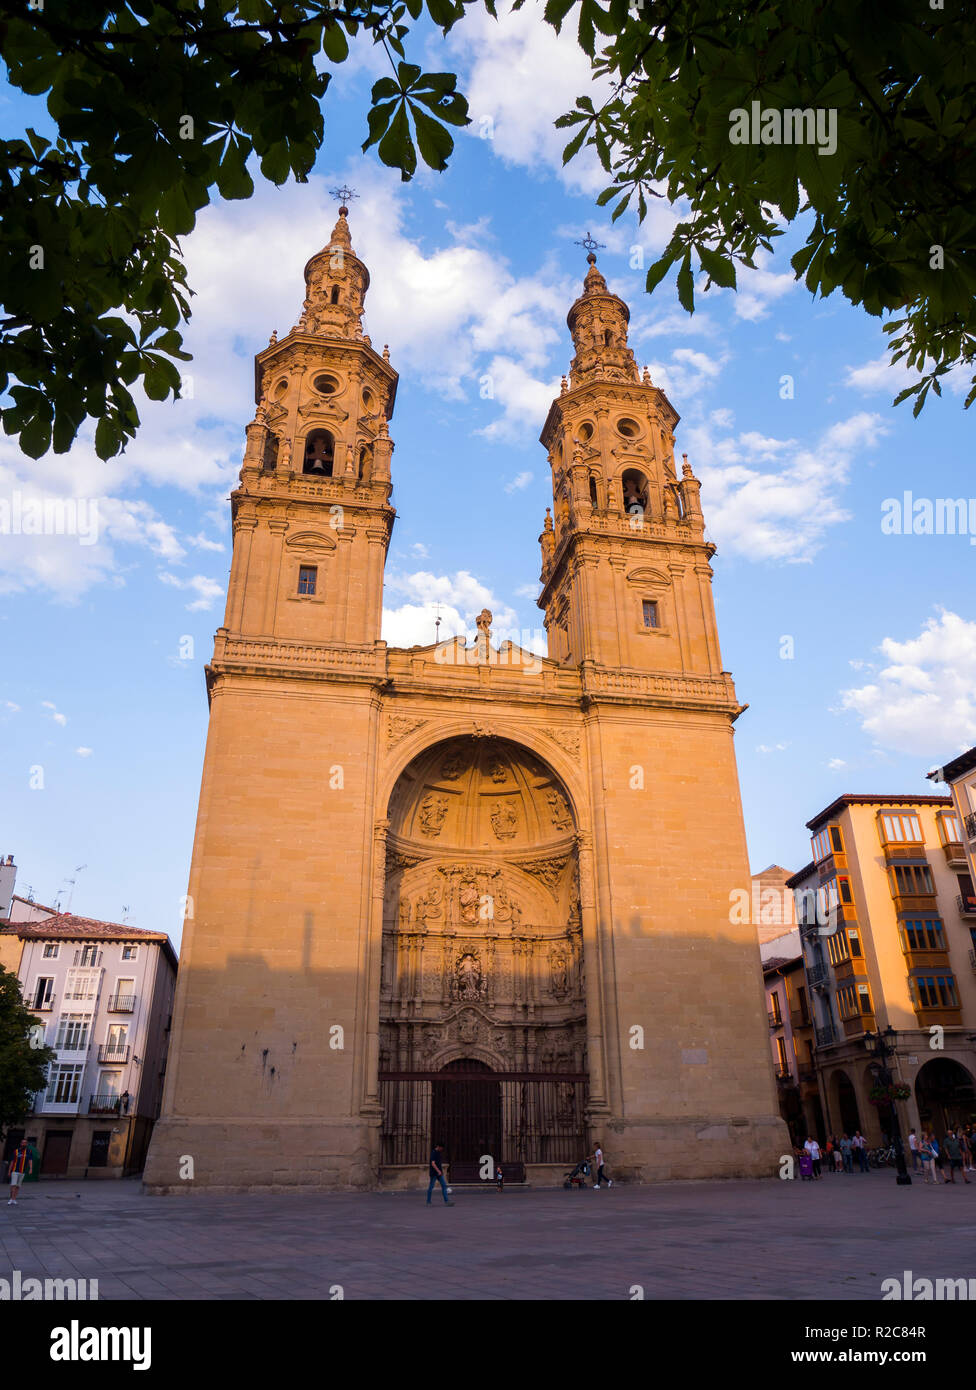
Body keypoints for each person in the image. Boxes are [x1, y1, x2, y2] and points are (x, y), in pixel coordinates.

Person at [426, 1141, 454, 1206]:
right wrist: (438, 1171)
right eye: (441, 1148)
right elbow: (433, 1163)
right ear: (438, 1147)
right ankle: (428, 1202)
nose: (442, 1149)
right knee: (431, 1187)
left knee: (444, 1185)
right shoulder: (434, 1153)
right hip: (434, 1173)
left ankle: (447, 1201)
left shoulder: (438, 1153)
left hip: (439, 1173)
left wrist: (440, 1172)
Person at [7, 1138, 32, 1204]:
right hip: (15, 1171)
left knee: (18, 1186)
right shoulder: (16, 1151)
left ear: (27, 1144)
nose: (24, 1144)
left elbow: (30, 1161)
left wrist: (30, 1169)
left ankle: (14, 1199)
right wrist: (9, 1171)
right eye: (23, 1143)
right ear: (21, 1144)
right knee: (13, 1185)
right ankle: (11, 1199)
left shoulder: (29, 1152)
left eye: (25, 1143)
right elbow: (12, 1162)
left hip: (22, 1171)